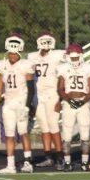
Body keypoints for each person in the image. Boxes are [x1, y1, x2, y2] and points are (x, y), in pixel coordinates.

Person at [0, 34, 35, 174]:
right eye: (10, 53)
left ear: (19, 52)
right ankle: (10, 165)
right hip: (8, 103)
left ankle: (28, 163)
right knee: (9, 135)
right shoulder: (2, 64)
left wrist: (28, 106)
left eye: (15, 53)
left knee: (23, 133)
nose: (12, 56)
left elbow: (31, 88)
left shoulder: (25, 65)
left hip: (21, 101)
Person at [26, 33, 66, 168]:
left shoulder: (57, 55)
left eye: (47, 42)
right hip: (38, 95)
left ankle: (61, 157)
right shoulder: (32, 57)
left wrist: (60, 99)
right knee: (44, 127)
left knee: (53, 125)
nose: (45, 45)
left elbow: (64, 73)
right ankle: (48, 156)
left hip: (52, 94)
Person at [56, 44, 90, 171]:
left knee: (85, 134)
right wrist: (68, 99)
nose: (74, 61)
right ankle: (67, 163)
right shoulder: (63, 68)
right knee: (67, 135)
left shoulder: (89, 68)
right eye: (71, 58)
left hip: (83, 103)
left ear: (81, 56)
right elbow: (60, 88)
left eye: (75, 58)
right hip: (69, 103)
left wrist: (83, 101)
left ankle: (84, 162)